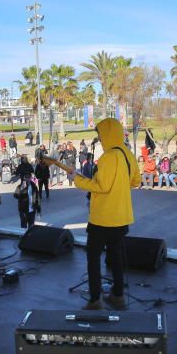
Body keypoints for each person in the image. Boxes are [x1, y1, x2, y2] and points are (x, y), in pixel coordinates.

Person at [49, 118, 140, 310]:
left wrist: (77, 179)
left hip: (103, 218)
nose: (99, 137)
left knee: (93, 258)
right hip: (122, 217)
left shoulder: (108, 157)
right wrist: (118, 190)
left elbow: (101, 186)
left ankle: (95, 299)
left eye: (100, 134)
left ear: (107, 134)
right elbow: (135, 182)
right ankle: (118, 296)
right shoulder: (128, 154)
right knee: (116, 257)